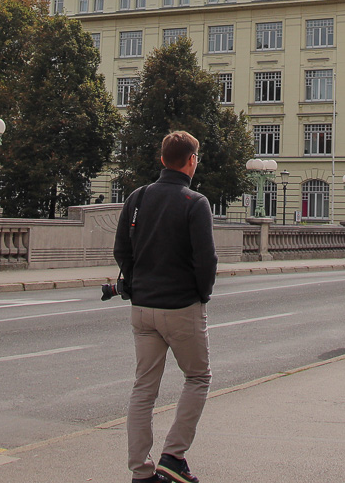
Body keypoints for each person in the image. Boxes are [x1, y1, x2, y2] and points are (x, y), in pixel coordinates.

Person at [113, 131, 217, 483]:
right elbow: (206, 260)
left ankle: (141, 472)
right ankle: (173, 455)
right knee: (198, 377)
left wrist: (133, 282)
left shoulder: (137, 197)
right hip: (181, 306)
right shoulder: (195, 202)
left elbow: (121, 251)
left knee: (143, 389)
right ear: (191, 161)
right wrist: (201, 294)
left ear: (162, 160)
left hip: (143, 309)